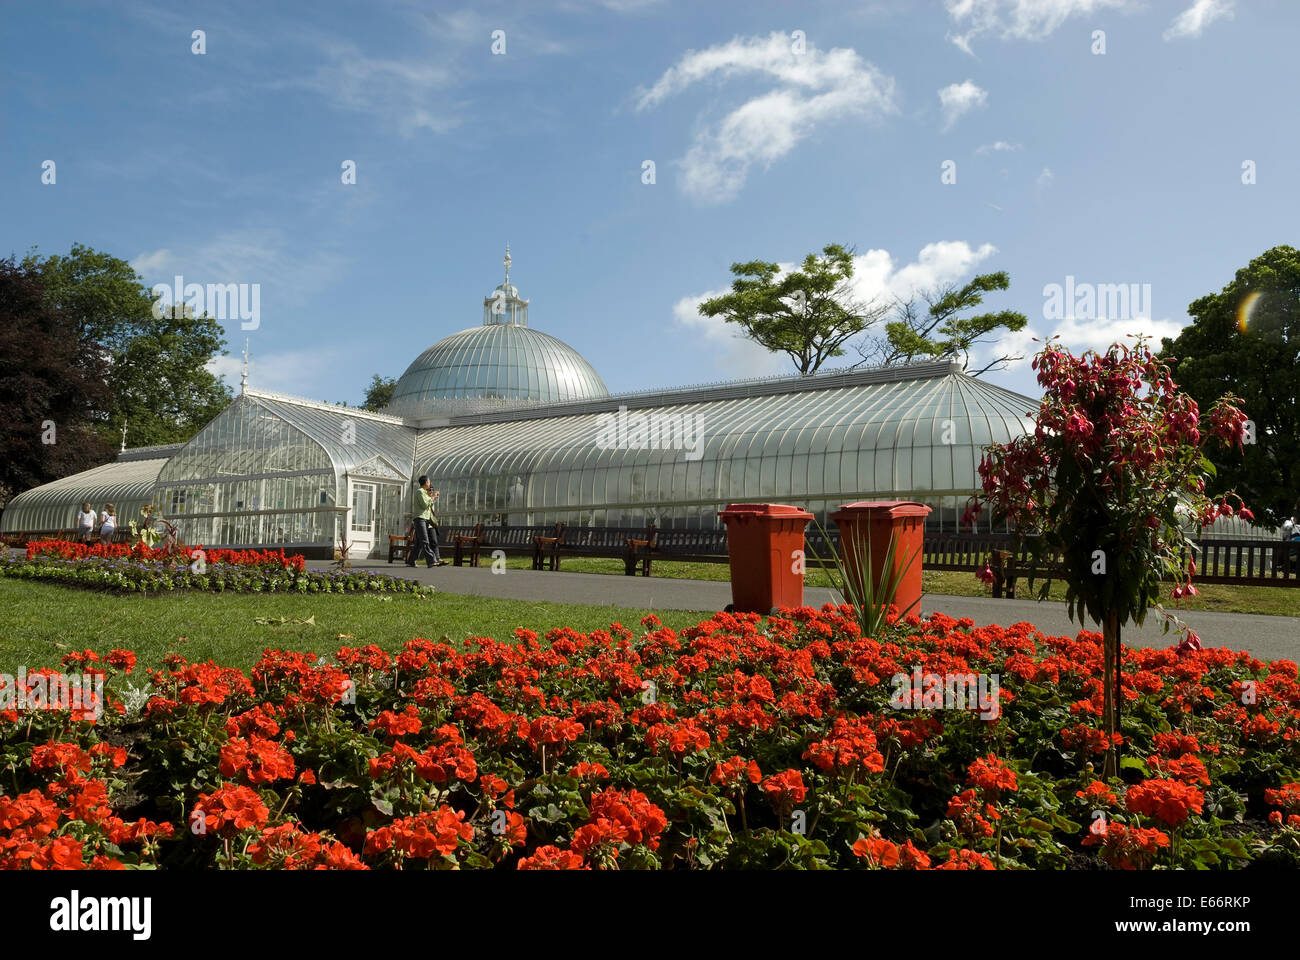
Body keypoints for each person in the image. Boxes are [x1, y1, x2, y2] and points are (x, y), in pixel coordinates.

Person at [406, 475, 445, 568]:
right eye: (429, 481)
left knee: (419, 542)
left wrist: (431, 497)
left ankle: (411, 561)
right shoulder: (420, 492)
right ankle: (432, 561)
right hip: (420, 519)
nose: (430, 483)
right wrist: (433, 497)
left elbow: (428, 506)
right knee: (425, 541)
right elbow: (424, 505)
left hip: (425, 520)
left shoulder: (424, 493)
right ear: (426, 482)